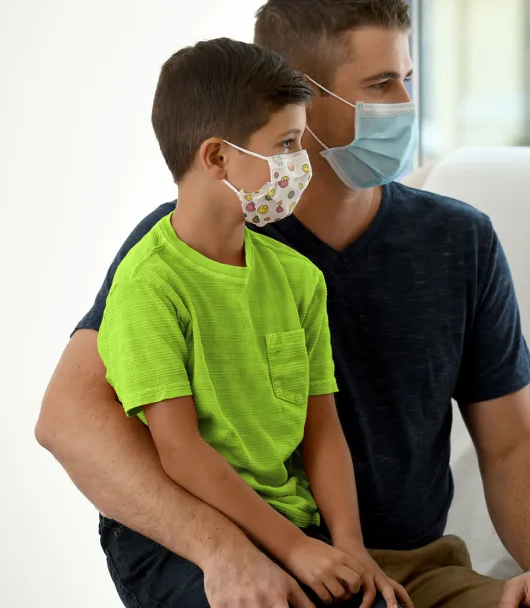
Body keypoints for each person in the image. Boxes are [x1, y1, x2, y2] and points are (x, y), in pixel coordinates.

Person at [35, 1, 530, 607]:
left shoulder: (459, 240)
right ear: (297, 92)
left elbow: (512, 445)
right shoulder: (189, 247)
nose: (403, 105)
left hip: (409, 568)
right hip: (248, 552)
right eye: (379, 85)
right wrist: (227, 551)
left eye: (408, 80)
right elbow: (70, 421)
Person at [94, 37, 407, 608]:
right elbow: (180, 452)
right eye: (286, 144)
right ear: (217, 157)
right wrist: (293, 549)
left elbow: (322, 428)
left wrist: (350, 548)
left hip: (288, 523)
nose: (301, 162)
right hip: (177, 538)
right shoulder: (148, 286)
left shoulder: (297, 278)